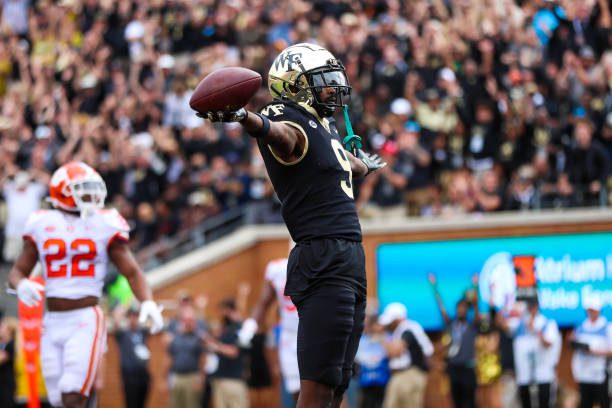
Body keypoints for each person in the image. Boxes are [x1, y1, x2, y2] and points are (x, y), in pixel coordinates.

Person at [198, 42, 386, 408]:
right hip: (322, 256)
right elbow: (283, 135)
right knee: (316, 388)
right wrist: (247, 118)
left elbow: (340, 159)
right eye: (323, 81)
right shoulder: (285, 118)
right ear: (295, 84)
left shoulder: (322, 126)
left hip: (348, 256)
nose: (333, 89)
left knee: (336, 386)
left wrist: (362, 164)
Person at [7, 161, 164, 408]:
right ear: (61, 192)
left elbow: (132, 271)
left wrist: (148, 301)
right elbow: (17, 272)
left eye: (93, 188)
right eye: (82, 189)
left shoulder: (103, 223)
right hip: (52, 319)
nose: (91, 196)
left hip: (85, 317)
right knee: (59, 400)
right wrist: (22, 284)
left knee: (73, 395)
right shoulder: (42, 222)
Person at [238, 256, 300, 403]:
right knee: (297, 391)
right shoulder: (278, 269)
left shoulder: (321, 258)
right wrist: (249, 327)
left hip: (317, 334)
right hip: (290, 337)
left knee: (327, 390)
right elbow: (263, 302)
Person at [429, 273, 479, 408]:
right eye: (459, 308)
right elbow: (441, 308)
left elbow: (476, 308)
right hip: (454, 368)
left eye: (464, 308)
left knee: (471, 401)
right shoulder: (451, 325)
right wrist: (434, 287)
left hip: (468, 368)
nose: (461, 311)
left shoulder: (471, 326)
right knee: (456, 400)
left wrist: (475, 286)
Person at [504, 299, 561, 408]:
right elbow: (502, 324)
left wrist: (535, 330)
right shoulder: (520, 323)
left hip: (543, 375)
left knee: (544, 403)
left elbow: (548, 343)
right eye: (528, 308)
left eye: (532, 307)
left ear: (536, 307)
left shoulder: (548, 323)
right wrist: (506, 306)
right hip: (524, 376)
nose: (530, 310)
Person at [379, 302, 433, 408]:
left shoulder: (407, 328)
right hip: (404, 375)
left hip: (410, 374)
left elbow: (395, 352)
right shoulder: (402, 329)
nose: (388, 325)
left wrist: (381, 337)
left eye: (391, 321)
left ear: (398, 319)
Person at [204, 299, 249, 408]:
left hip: (233, 380)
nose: (220, 313)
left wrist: (216, 346)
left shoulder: (240, 328)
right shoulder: (227, 328)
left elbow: (234, 351)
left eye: (222, 310)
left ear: (228, 310)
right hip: (220, 379)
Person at [571, 296, 611, 408]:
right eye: (589, 310)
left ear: (599, 310)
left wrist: (594, 352)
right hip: (584, 374)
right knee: (585, 403)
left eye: (593, 310)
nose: (591, 313)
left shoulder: (607, 327)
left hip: (600, 374)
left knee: (603, 402)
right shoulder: (580, 327)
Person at [112, 304, 151, 408]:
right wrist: (121, 311)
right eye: (132, 316)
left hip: (142, 373)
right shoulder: (123, 334)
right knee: (131, 403)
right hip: (129, 374)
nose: (134, 319)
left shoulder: (141, 332)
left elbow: (150, 323)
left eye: (136, 316)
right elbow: (116, 324)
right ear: (128, 318)